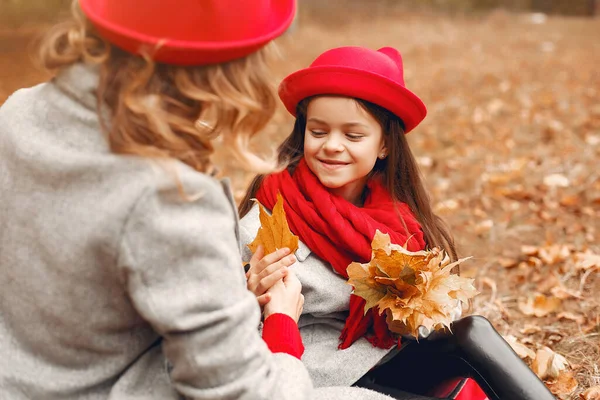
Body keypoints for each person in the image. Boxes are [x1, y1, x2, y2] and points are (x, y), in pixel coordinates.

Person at [0, 1, 402, 399]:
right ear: (223, 67)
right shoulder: (170, 196)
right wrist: (280, 323)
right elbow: (243, 391)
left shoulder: (19, 113)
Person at [239, 46, 557, 400]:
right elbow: (219, 329)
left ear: (385, 146)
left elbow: (441, 305)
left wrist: (411, 315)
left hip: (389, 354)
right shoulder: (266, 222)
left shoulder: (398, 220)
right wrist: (251, 296)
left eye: (353, 135)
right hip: (318, 378)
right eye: (318, 131)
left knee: (472, 333)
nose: (332, 145)